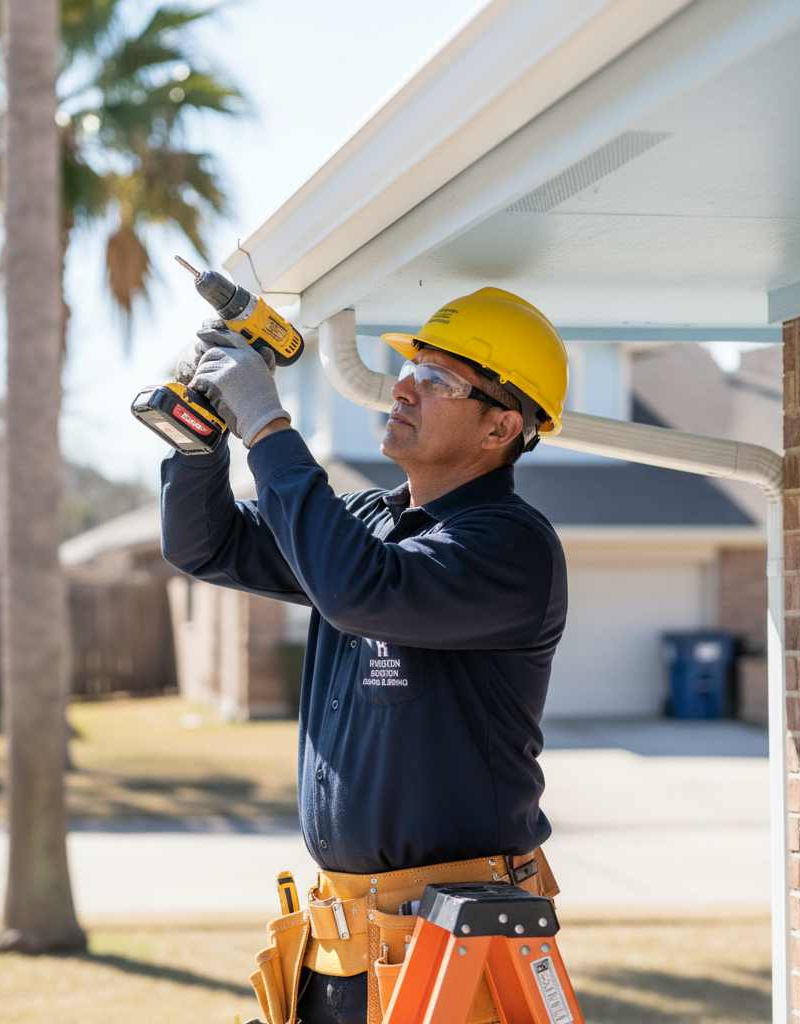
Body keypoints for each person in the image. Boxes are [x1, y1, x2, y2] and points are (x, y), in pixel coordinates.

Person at [160, 287, 569, 1024]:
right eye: (411, 368)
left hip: (456, 944)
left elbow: (359, 589)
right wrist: (199, 437)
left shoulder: (510, 547)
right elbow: (207, 544)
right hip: (342, 946)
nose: (405, 387)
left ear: (501, 426)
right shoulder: (368, 524)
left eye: (439, 380)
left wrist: (267, 423)